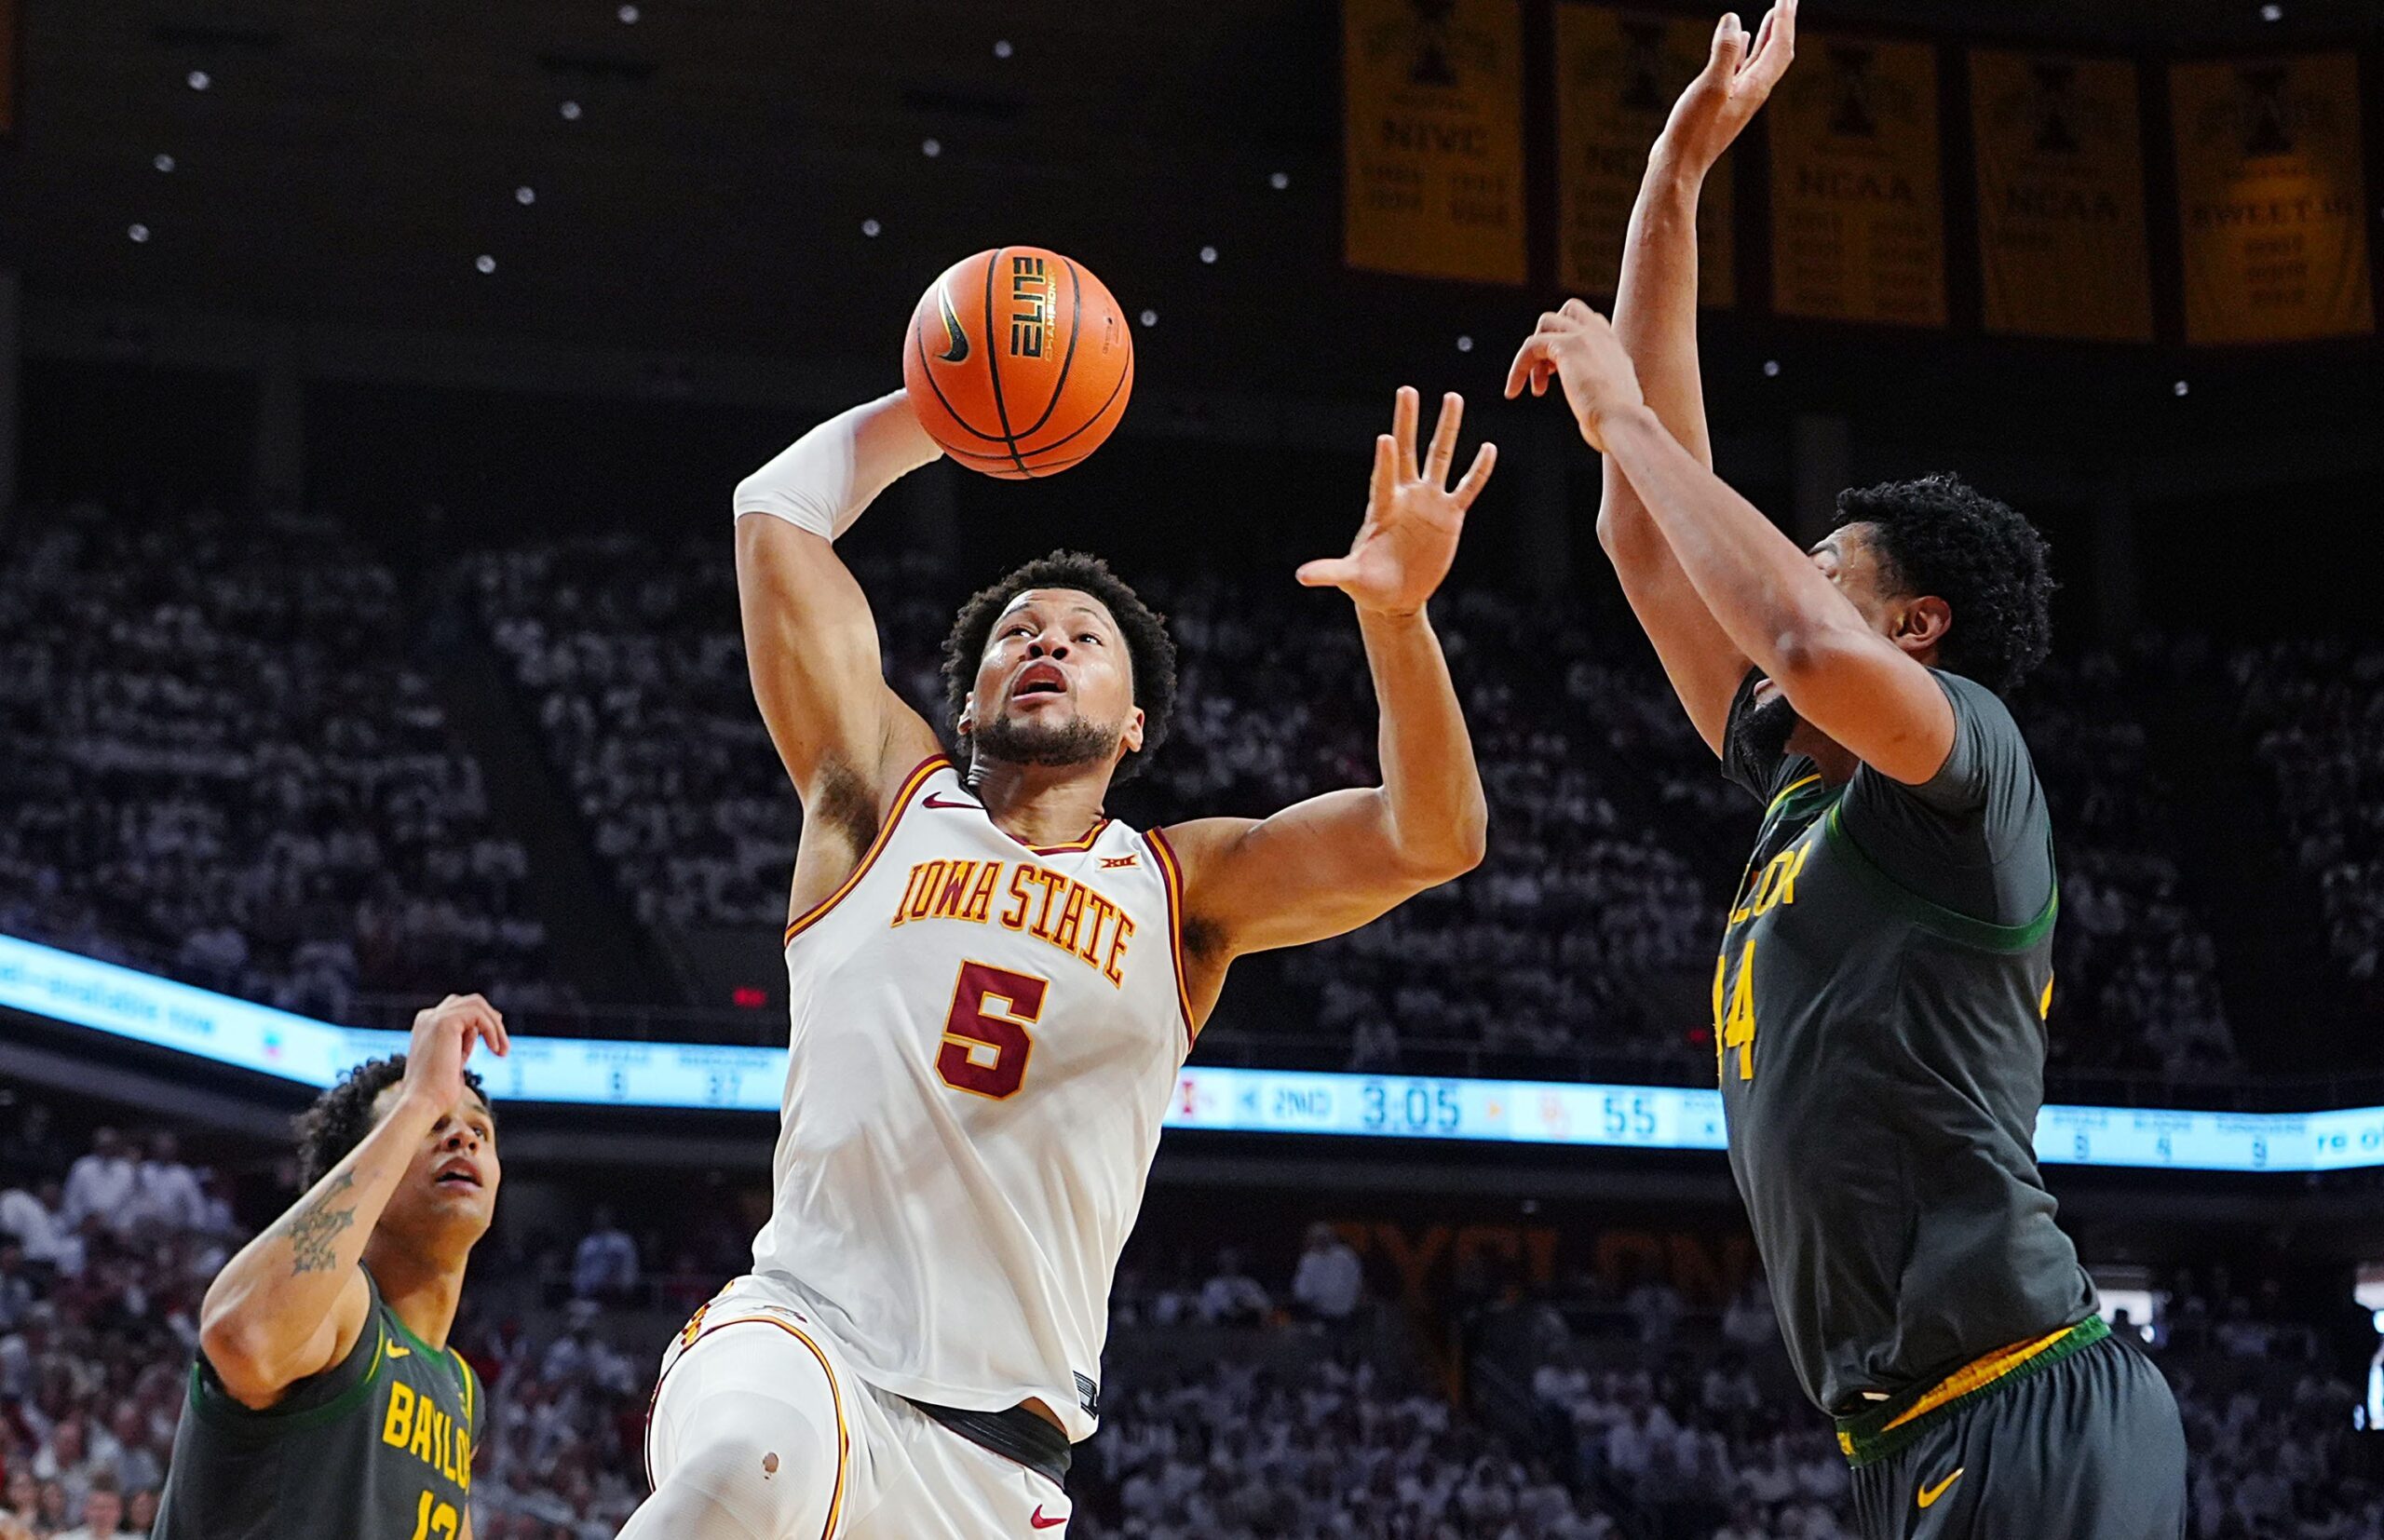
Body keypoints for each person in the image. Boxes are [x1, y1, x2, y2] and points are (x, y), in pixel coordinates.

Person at [1504, 4, 2188, 1533]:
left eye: (1821, 560)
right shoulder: (1806, 790)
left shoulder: (1971, 766)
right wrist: (1674, 180)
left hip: (2032, 1391)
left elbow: (1804, 643)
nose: (1782, 584)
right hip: (1906, 1436)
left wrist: (1625, 406)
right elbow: (1645, 530)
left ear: (1917, 623)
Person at [623, 380, 1494, 1538]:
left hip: (999, 1460)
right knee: (738, 1467)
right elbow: (775, 510)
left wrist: (1396, 622)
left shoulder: (1183, 889)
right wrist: (945, 406)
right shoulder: (881, 794)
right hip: (802, 1338)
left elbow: (1434, 836)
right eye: (1017, 635)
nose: (1048, 644)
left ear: (1134, 725)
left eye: (1085, 640)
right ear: (968, 705)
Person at [152, 993, 509, 1540]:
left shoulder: (461, 1388)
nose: (461, 1137)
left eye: (478, 1131)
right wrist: (418, 1098)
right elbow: (242, 1337)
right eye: (429, 1126)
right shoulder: (347, 1310)